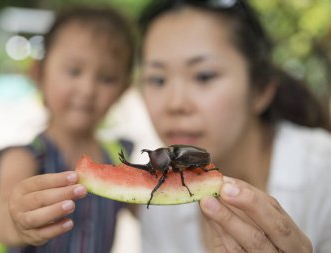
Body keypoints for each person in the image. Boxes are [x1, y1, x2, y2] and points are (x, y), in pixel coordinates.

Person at [137, 0, 331, 252]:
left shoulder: (324, 172)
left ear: (260, 89)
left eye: (204, 76)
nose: (175, 104)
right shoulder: (157, 201)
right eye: (157, 79)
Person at [0, 6, 135, 253]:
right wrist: (16, 222)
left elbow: (153, 209)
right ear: (39, 73)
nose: (88, 89)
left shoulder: (121, 156)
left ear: (123, 89)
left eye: (107, 77)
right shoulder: (23, 158)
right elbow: (1, 216)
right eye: (74, 71)